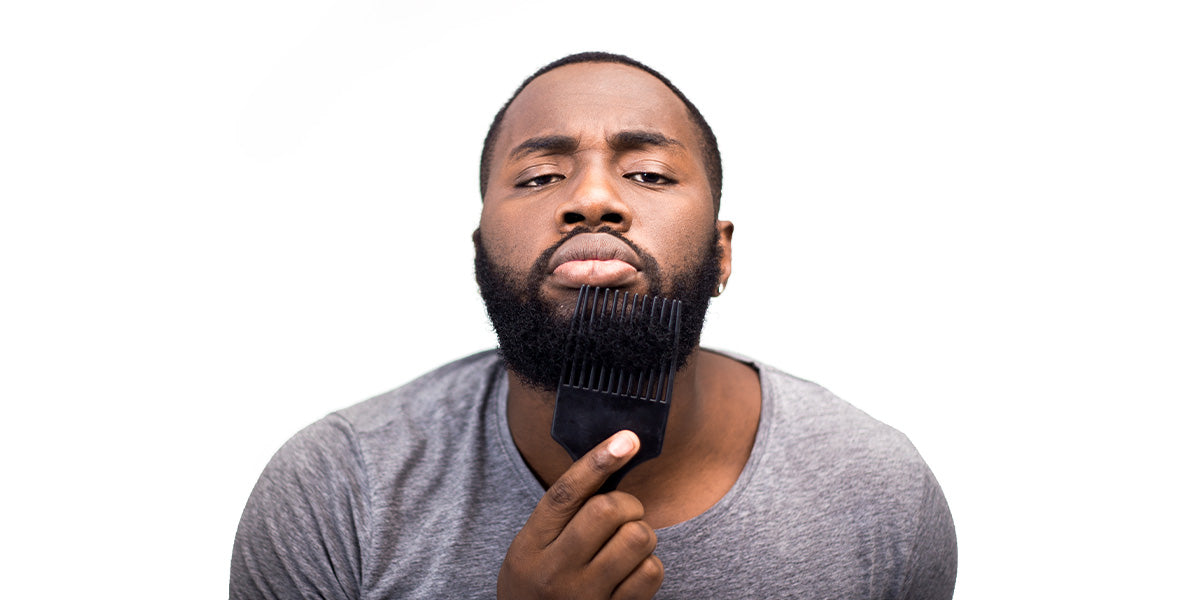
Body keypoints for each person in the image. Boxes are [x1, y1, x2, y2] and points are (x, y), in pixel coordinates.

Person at [230, 52, 957, 599]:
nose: (594, 199)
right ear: (481, 254)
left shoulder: (879, 495)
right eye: (541, 177)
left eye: (648, 174)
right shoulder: (336, 493)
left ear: (721, 252)